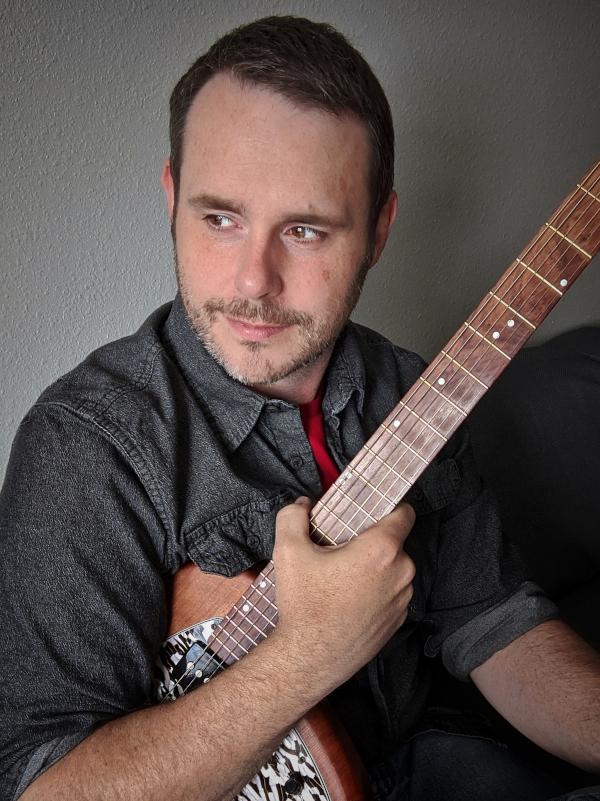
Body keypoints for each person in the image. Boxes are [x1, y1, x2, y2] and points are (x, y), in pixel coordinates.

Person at [0, 16, 599, 801]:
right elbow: (44, 787)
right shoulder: (89, 447)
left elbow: (488, 617)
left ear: (378, 230)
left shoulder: (414, 391)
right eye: (220, 217)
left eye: (307, 230)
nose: (254, 280)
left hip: (425, 752)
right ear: (172, 197)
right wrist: (306, 657)